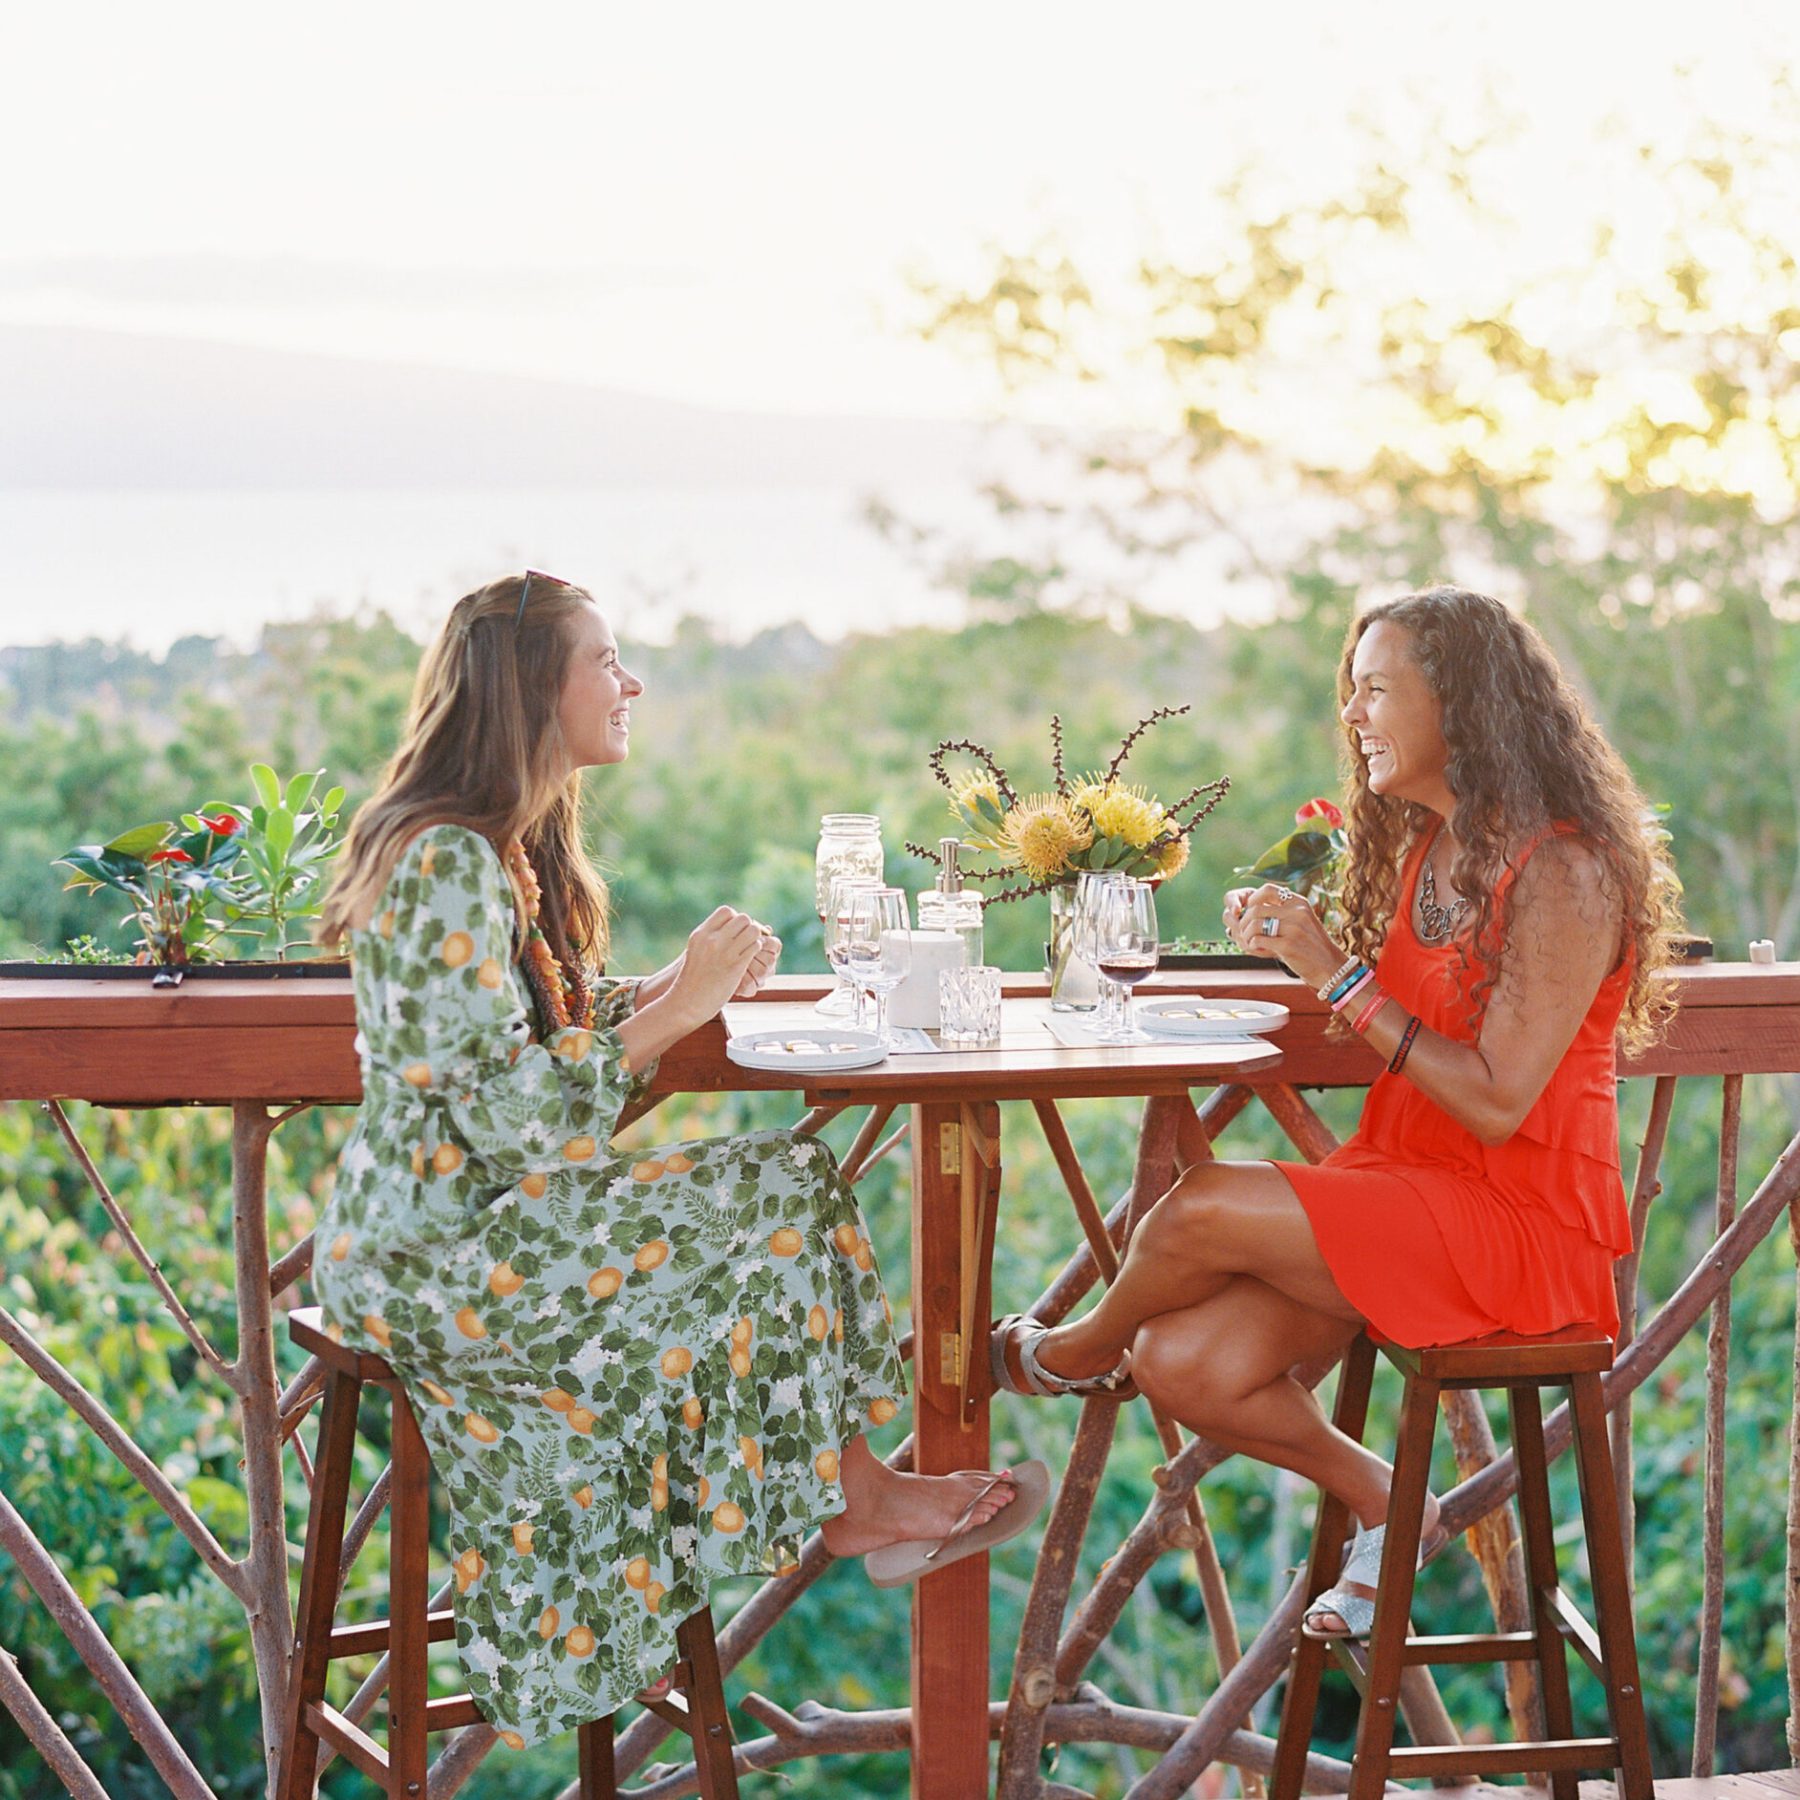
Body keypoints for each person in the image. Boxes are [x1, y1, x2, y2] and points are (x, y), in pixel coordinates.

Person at [314, 573, 1042, 1750]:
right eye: (604, 660)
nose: (630, 681)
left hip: (492, 1228)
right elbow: (508, 1119)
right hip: (434, 1260)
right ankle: (855, 1502)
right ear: (530, 689)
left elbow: (529, 1038)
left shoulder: (507, 848)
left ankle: (857, 1496)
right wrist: (677, 1008)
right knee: (778, 1186)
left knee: (786, 1186)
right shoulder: (447, 858)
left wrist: (652, 996)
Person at [991, 585, 1678, 1638]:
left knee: (1201, 1205)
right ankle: (1392, 1506)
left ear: (1464, 704)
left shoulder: (1567, 870)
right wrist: (1309, 956)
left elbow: (1498, 1105)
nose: (1352, 716)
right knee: (1181, 1364)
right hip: (1402, 1185)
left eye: (1375, 691)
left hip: (1520, 1224)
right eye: (1349, 694)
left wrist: (1334, 973)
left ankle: (1076, 1355)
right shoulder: (1427, 850)